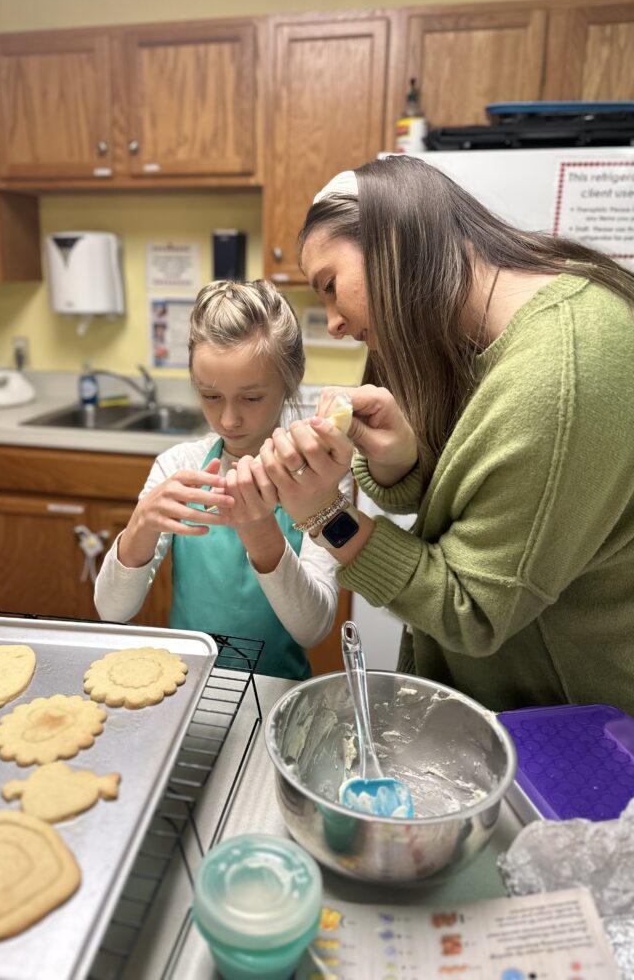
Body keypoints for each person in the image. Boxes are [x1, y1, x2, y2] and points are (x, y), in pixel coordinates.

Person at [255, 155, 634, 713]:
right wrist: (403, 462)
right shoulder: (478, 336)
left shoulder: (562, 370)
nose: (333, 321)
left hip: (567, 731)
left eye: (331, 285)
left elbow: (471, 611)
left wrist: (323, 516)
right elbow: (482, 492)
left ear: (391, 238)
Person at [94, 279, 344, 680]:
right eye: (211, 397)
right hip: (187, 686)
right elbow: (112, 610)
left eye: (251, 398)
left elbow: (312, 628)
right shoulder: (178, 465)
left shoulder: (319, 474)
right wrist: (140, 525)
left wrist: (259, 529)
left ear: (290, 381)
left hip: (275, 693)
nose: (228, 419)